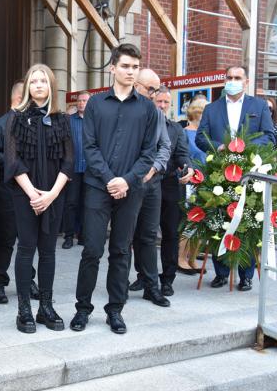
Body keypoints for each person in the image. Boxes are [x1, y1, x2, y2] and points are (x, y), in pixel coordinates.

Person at [70, 44, 158, 335]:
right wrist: (111, 179)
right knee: (92, 250)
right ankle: (82, 309)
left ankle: (115, 310)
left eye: (135, 67)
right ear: (112, 68)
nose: (131, 72)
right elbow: (90, 147)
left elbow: (149, 153)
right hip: (98, 187)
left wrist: (126, 181)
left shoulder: (147, 107)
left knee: (121, 251)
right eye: (125, 66)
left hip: (131, 190)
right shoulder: (95, 103)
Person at [5, 63, 73, 334]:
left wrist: (52, 195)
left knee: (48, 251)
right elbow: (12, 161)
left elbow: (69, 162)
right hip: (25, 194)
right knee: (26, 248)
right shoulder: (16, 117)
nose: (38, 86)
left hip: (53, 193)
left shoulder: (61, 119)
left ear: (51, 86)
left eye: (43, 81)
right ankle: (24, 310)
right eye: (33, 81)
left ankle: (45, 306)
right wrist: (33, 193)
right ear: (28, 87)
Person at [196, 65, 275, 291]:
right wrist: (220, 146)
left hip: (249, 172)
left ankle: (246, 275)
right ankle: (220, 273)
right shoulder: (212, 109)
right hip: (219, 173)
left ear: (246, 81)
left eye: (237, 77)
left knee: (247, 221)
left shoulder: (258, 106)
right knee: (218, 220)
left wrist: (244, 147)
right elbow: (201, 137)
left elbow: (268, 137)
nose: (233, 80)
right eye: (229, 77)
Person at [0, 80, 39, 304]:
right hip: (7, 191)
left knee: (29, 239)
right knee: (7, 239)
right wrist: (19, 163)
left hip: (31, 191)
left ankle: (28, 280)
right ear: (19, 99)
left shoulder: (33, 125)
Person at [127, 68, 172, 308]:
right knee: (124, 237)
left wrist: (153, 168)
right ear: (137, 86)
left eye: (156, 89)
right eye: (151, 89)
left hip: (152, 181)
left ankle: (151, 287)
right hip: (128, 181)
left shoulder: (156, 113)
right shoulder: (123, 109)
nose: (155, 94)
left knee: (148, 236)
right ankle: (118, 286)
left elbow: (165, 146)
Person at [154, 86, 193, 296]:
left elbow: (182, 155)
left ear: (170, 105)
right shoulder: (144, 126)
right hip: (147, 186)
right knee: (144, 234)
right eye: (158, 101)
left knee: (171, 234)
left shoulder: (177, 129)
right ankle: (145, 277)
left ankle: (167, 279)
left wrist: (188, 167)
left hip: (170, 186)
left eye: (165, 102)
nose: (162, 105)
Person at [178, 98, 209, 274]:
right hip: (191, 183)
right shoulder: (184, 133)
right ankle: (181, 258)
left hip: (207, 183)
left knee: (202, 221)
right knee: (190, 220)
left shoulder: (207, 135)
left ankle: (192, 258)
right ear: (197, 112)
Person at [61, 91, 90, 250]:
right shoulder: (68, 121)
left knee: (87, 204)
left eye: (85, 101)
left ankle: (83, 236)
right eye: (79, 101)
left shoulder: (94, 122)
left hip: (90, 170)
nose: (81, 103)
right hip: (72, 170)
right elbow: (63, 146)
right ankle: (68, 236)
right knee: (71, 203)